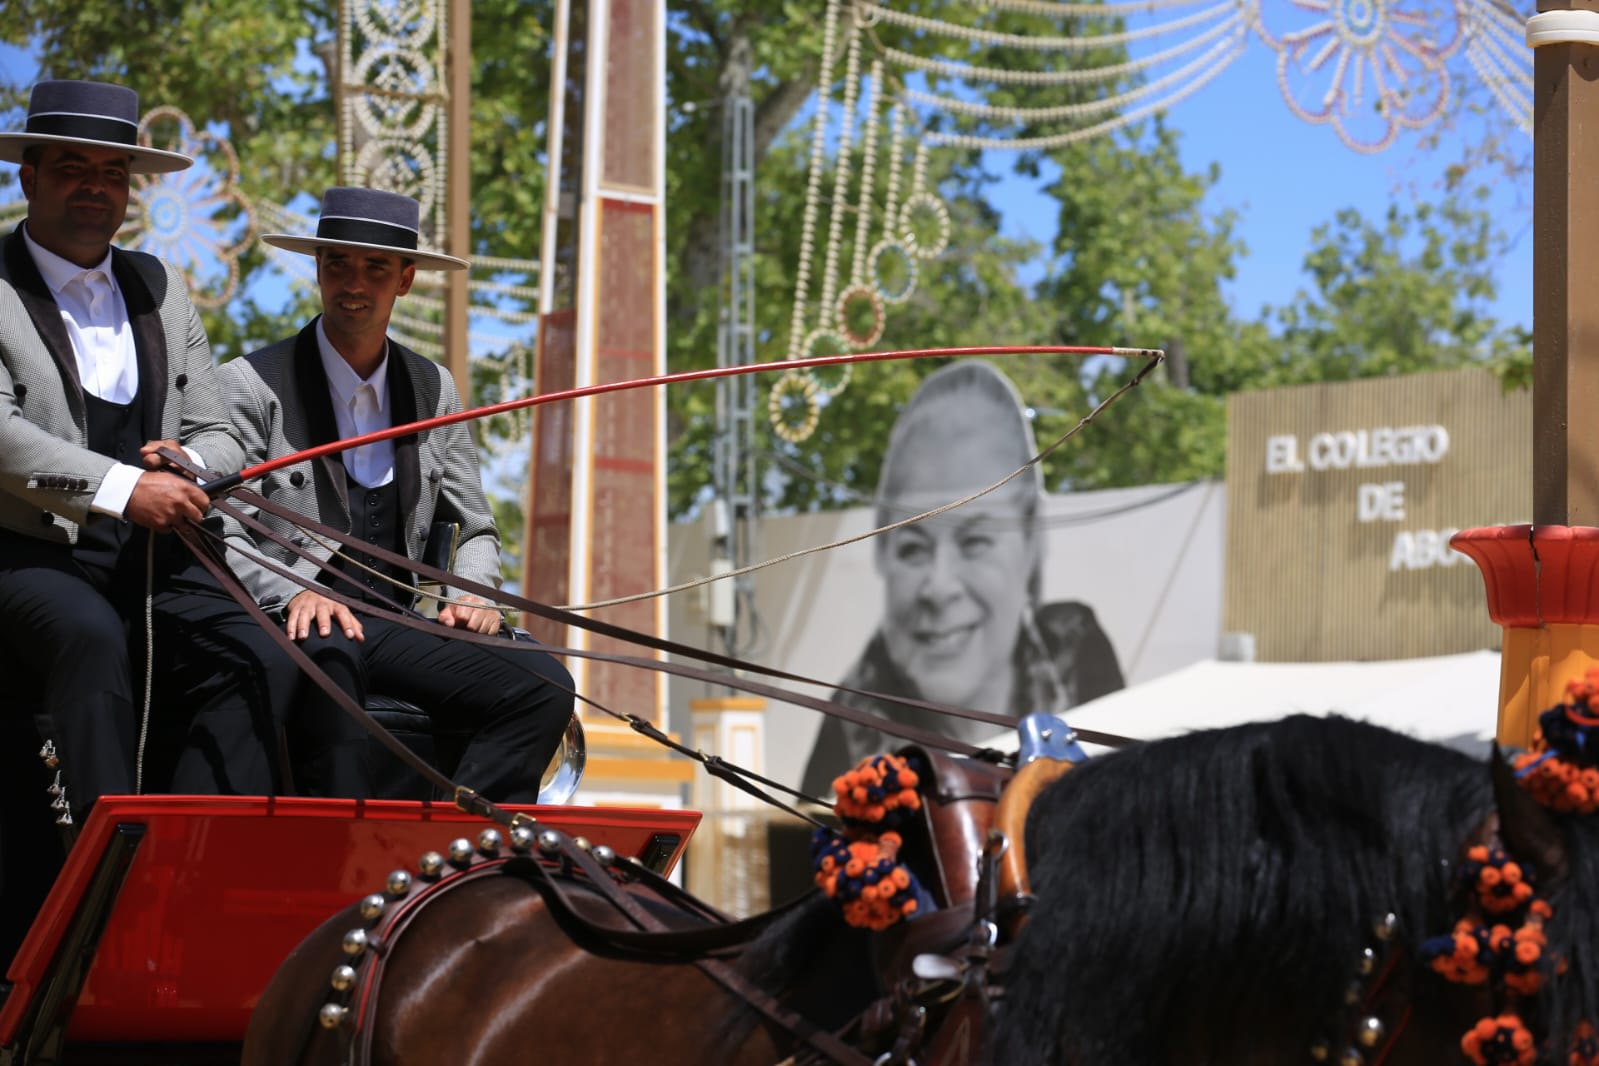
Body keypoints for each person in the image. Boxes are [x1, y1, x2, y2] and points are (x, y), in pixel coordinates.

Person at [0, 80, 298, 962]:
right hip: (26, 552)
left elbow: (213, 424)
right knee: (89, 639)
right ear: (28, 178)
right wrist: (122, 488)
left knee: (256, 649)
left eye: (114, 171)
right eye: (72, 168)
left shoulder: (161, 287)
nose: (95, 186)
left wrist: (194, 465)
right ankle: (100, 908)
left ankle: (204, 888)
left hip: (155, 554)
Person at [219, 185, 573, 803]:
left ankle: (454, 862)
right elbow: (221, 525)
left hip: (393, 620)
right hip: (301, 620)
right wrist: (293, 592)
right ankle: (346, 858)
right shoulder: (250, 385)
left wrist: (471, 593)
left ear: (404, 280)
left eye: (375, 268)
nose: (353, 283)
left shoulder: (434, 388)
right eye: (338, 264)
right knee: (330, 663)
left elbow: (477, 526)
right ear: (319, 271)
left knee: (543, 684)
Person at [800, 361, 1124, 796]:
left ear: (1031, 540)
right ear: (881, 553)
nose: (939, 587)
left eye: (975, 542)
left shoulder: (1077, 655)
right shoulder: (850, 725)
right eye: (913, 548)